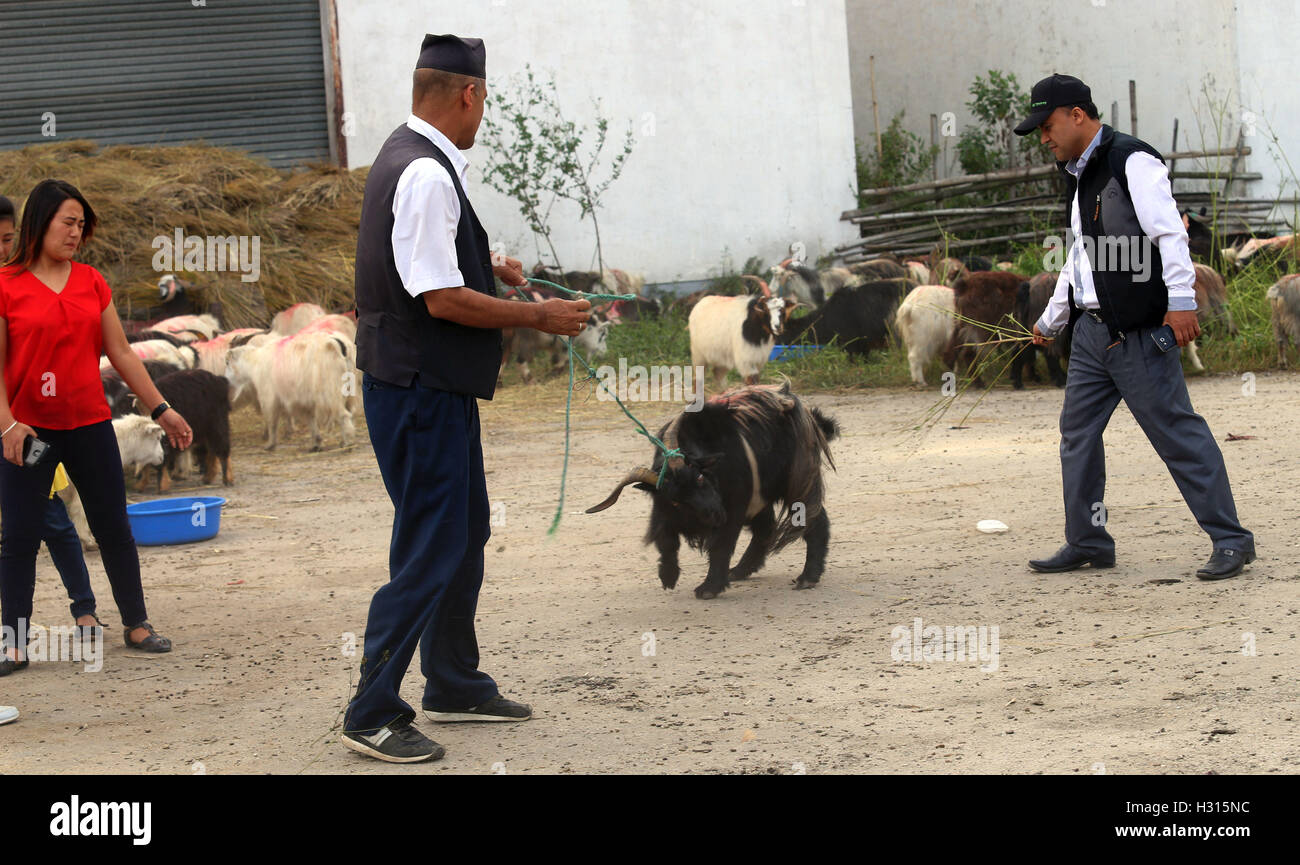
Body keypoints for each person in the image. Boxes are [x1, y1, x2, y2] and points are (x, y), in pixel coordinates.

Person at [342, 34, 590, 763]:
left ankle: (451, 679)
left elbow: (439, 265)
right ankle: (372, 708)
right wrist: (539, 315)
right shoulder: (423, 174)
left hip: (429, 387)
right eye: (484, 102)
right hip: (419, 388)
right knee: (432, 543)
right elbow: (440, 297)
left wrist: (492, 264)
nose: (483, 114)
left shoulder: (408, 155)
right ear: (468, 95)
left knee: (464, 528)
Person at [1019, 74, 1254, 580]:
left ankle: (1232, 541)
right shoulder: (1078, 174)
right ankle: (1088, 541)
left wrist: (1183, 302)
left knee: (1175, 432)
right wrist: (1052, 318)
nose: (1044, 137)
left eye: (1047, 125)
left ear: (1077, 115)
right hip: (1090, 337)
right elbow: (1080, 255)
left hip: (1139, 335)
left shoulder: (1132, 160)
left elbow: (1169, 234)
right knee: (1076, 435)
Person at [0, 179, 192, 677]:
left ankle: (136, 623)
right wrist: (8, 427)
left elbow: (121, 352)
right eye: (68, 222)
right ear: (39, 223)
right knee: (20, 535)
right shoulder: (6, 286)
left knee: (113, 527)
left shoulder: (91, 282)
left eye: (81, 225)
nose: (76, 233)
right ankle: (14, 642)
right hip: (30, 431)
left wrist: (161, 409)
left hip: (89, 424)